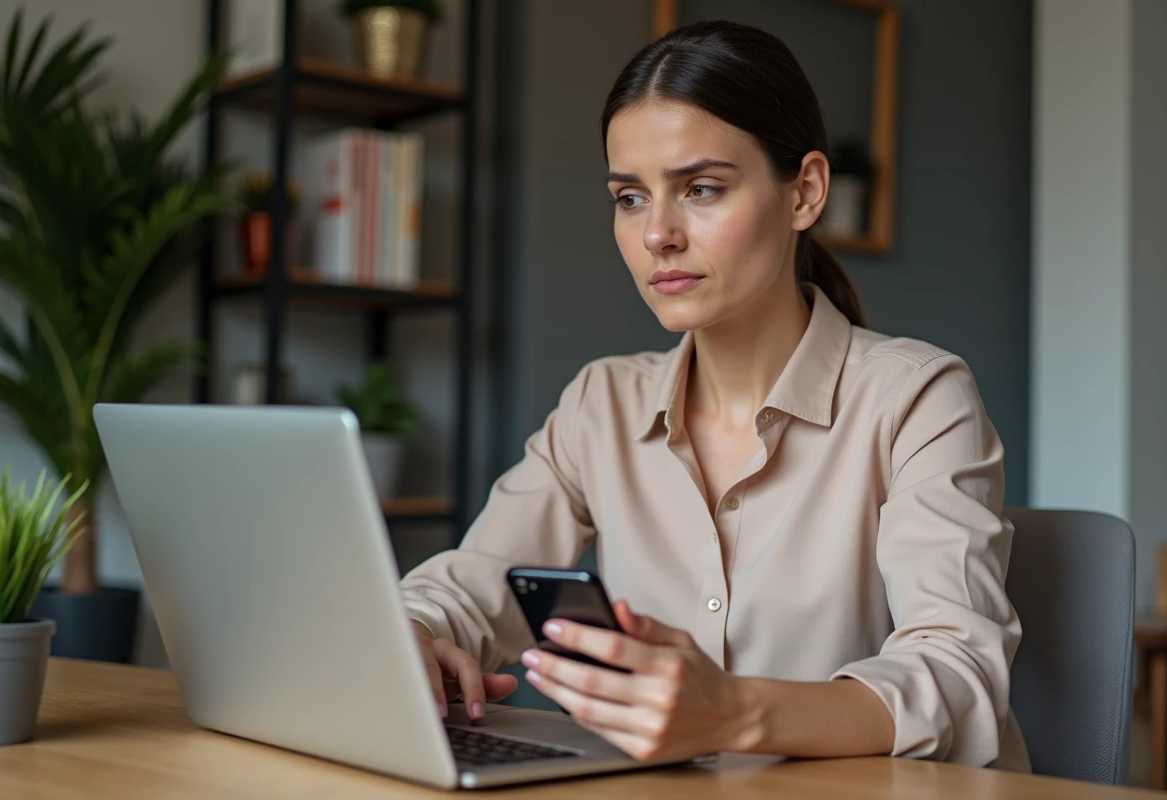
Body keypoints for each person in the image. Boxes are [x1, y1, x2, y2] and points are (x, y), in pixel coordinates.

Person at [399, 20, 1029, 771]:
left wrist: (729, 710)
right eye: (630, 197)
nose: (658, 233)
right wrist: (410, 627)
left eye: (700, 189)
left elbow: (957, 674)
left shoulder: (919, 398)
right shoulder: (602, 402)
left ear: (806, 193)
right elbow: (473, 586)